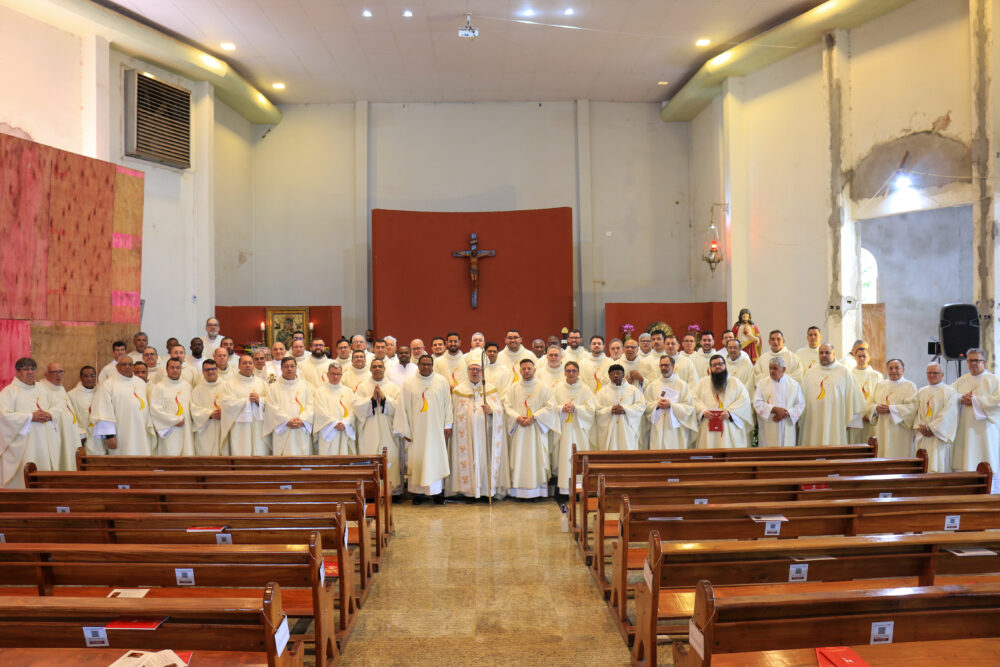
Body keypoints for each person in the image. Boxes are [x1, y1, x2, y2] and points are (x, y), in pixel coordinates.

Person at [394, 355, 453, 504]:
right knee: (417, 459)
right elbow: (402, 407)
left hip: (436, 430)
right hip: (416, 431)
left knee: (435, 459)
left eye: (429, 364)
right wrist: (405, 430)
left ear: (432, 365)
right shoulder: (409, 383)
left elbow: (448, 404)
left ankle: (437, 493)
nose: (426, 367)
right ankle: (417, 494)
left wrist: (448, 425)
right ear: (418, 365)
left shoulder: (442, 381)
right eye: (423, 364)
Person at [447, 361, 508, 500]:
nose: (475, 372)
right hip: (465, 435)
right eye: (472, 369)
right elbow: (453, 412)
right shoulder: (459, 391)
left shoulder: (490, 389)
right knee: (468, 460)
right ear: (467, 371)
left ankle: (486, 491)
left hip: (485, 434)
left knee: (485, 459)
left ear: (482, 372)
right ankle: (468, 492)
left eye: (478, 370)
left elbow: (500, 411)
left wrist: (492, 411)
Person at [503, 359, 558, 500]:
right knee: (519, 458)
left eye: (529, 368)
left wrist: (535, 417)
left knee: (537, 458)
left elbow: (551, 406)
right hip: (519, 430)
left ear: (534, 370)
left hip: (536, 430)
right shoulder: (513, 388)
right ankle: (518, 492)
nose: (526, 371)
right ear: (520, 371)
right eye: (524, 369)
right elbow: (506, 406)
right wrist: (516, 417)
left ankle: (537, 492)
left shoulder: (543, 387)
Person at [0, 358, 58, 487]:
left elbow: (58, 406)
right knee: (24, 477)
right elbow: (3, 416)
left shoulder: (43, 388)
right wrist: (30, 417)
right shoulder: (9, 391)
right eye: (26, 369)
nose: (30, 372)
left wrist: (50, 414)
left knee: (44, 471)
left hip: (45, 441)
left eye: (33, 369)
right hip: (23, 444)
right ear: (17, 372)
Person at [951, 348, 1000, 491]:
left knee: (986, 458)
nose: (973, 363)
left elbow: (997, 401)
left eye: (977, 360)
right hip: (964, 430)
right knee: (964, 460)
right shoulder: (961, 380)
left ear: (984, 361)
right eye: (970, 360)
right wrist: (960, 398)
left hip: (985, 431)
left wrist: (975, 401)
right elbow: (949, 396)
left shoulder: (994, 380)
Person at [353, 359, 405, 493]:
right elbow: (356, 406)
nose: (377, 369)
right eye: (374, 367)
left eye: (380, 366)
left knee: (390, 457)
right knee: (369, 456)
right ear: (370, 369)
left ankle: (391, 491)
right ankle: (371, 491)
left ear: (384, 369)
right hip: (368, 430)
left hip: (388, 429)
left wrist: (384, 399)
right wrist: (371, 400)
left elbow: (400, 407)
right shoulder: (362, 387)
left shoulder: (393, 387)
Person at [798, 343, 866, 445]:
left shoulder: (844, 372)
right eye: (821, 353)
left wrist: (850, 422)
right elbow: (802, 397)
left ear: (834, 354)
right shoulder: (811, 372)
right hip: (813, 421)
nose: (824, 355)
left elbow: (854, 399)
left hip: (836, 421)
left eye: (827, 353)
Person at [91, 356, 155, 456]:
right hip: (121, 434)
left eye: (130, 364)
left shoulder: (141, 383)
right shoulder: (108, 385)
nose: (127, 367)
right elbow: (103, 412)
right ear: (117, 367)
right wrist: (110, 436)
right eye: (124, 364)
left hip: (142, 431)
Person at [552, 361, 596, 495]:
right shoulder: (558, 388)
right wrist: (562, 408)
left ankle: (578, 490)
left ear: (578, 372)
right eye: (568, 371)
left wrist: (576, 408)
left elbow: (591, 409)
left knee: (579, 459)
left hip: (579, 430)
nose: (571, 373)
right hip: (563, 429)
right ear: (564, 372)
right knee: (564, 456)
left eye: (574, 371)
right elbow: (551, 406)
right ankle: (564, 490)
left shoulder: (585, 389)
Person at [691, 355, 753, 448]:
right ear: (710, 368)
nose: (717, 367)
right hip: (707, 424)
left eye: (720, 364)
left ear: (725, 366)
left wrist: (730, 412)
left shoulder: (736, 383)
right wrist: (703, 411)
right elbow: (693, 398)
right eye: (714, 365)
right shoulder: (702, 383)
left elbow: (744, 400)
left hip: (728, 425)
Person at [264, 357, 315, 456]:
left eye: (292, 366)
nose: (289, 369)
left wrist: (302, 420)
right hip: (283, 429)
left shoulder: (306, 386)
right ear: (281, 368)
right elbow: (271, 407)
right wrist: (286, 421)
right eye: (286, 366)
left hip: (301, 427)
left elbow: (311, 405)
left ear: (296, 368)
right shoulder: (273, 388)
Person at [912, 363, 959, 473]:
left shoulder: (949, 391)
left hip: (938, 435)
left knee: (938, 465)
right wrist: (920, 427)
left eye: (935, 373)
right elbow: (916, 412)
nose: (932, 375)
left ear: (942, 375)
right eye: (929, 373)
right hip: (923, 435)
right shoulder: (921, 391)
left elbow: (949, 413)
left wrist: (931, 428)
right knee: (923, 466)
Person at [221, 353, 270, 456]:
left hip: (259, 426)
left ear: (253, 365)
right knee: (242, 452)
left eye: (250, 363)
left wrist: (259, 400)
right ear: (239, 366)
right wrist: (246, 401)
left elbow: (270, 401)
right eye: (244, 363)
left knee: (260, 453)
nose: (248, 365)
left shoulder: (262, 383)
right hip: (240, 428)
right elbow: (226, 404)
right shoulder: (230, 384)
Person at [644, 356, 697, 450]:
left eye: (666, 365)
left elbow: (689, 407)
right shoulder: (653, 385)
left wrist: (671, 405)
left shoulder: (682, 385)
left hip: (675, 430)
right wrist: (656, 404)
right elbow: (645, 406)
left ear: (673, 366)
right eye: (661, 365)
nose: (663, 368)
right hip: (658, 427)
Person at [868, 359, 917, 459]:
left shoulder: (909, 386)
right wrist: (876, 408)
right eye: (891, 368)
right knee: (882, 455)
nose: (893, 371)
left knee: (899, 456)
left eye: (897, 368)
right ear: (887, 370)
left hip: (900, 432)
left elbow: (912, 408)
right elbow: (869, 403)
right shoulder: (880, 385)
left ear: (903, 370)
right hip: (882, 429)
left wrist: (891, 409)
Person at [752, 357, 805, 446]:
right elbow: (757, 403)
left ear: (783, 369)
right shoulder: (762, 384)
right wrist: (774, 409)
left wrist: (786, 413)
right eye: (770, 368)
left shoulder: (794, 385)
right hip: (769, 424)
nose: (772, 371)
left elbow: (800, 404)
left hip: (786, 423)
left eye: (775, 368)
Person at [147, 357, 194, 456]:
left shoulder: (188, 387)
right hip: (169, 431)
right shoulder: (159, 387)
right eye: (172, 367)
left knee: (187, 455)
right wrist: (175, 420)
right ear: (166, 369)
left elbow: (192, 409)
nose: (175, 370)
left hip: (186, 429)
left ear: (181, 369)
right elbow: (155, 410)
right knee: (169, 456)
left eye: (178, 368)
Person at [594, 364, 645, 451]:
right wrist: (610, 410)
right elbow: (597, 409)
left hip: (627, 429)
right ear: (609, 376)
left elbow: (640, 407)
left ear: (623, 375)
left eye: (618, 373)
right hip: (610, 430)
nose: (615, 376)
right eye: (612, 374)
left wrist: (625, 410)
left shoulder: (633, 390)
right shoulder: (602, 392)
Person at [40, 363, 79, 470]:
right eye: (54, 372)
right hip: (55, 434)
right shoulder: (42, 389)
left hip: (68, 433)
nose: (59, 375)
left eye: (61, 371)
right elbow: (45, 413)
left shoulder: (60, 388)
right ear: (46, 374)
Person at [313, 364, 357, 455]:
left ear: (341, 375)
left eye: (338, 374)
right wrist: (334, 423)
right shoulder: (320, 392)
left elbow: (354, 411)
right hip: (328, 430)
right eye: (333, 374)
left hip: (345, 430)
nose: (335, 376)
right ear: (327, 374)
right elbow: (320, 411)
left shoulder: (348, 391)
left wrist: (345, 423)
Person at [190, 359, 230, 456]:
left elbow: (233, 405)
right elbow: (193, 409)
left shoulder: (227, 386)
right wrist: (210, 414)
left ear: (217, 370)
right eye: (207, 369)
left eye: (213, 369)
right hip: (205, 430)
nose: (210, 372)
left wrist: (224, 413)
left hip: (222, 427)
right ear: (203, 371)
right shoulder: (197, 389)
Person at [848, 343, 883, 444]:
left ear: (869, 358)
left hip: (871, 419)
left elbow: (880, 397)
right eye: (859, 356)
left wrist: (869, 415)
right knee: (854, 448)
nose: (862, 359)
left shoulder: (877, 375)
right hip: (853, 421)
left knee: (871, 447)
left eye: (864, 356)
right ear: (855, 357)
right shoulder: (849, 375)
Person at [68, 366, 99, 454]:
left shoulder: (101, 392)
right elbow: (70, 418)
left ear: (96, 377)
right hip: (82, 437)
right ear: (81, 378)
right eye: (86, 376)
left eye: (92, 376)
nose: (89, 379)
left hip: (99, 437)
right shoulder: (71, 395)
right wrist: (81, 434)